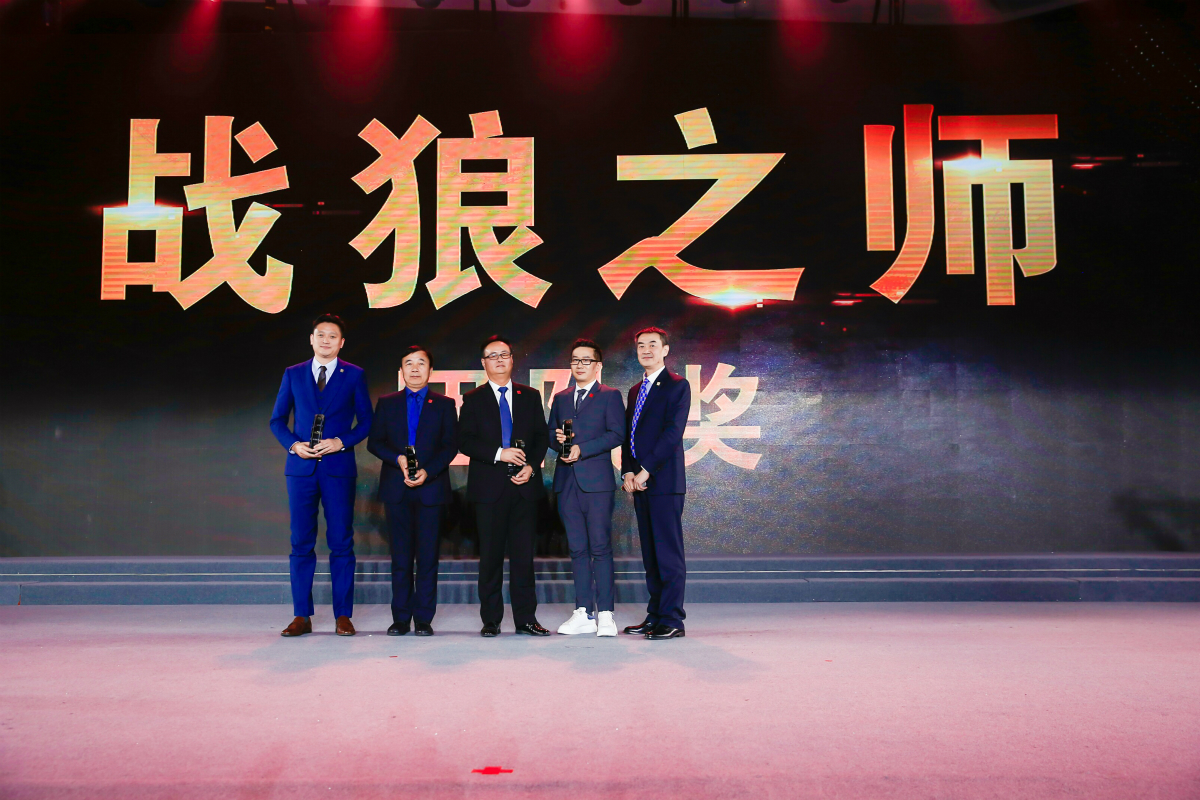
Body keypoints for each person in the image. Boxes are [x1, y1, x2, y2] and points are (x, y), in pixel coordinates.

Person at [269, 314, 373, 638]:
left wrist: (341, 441)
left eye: (332, 336)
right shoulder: (293, 373)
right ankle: (302, 615)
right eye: (321, 335)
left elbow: (366, 422)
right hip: (301, 470)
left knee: (341, 541)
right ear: (311, 339)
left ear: (341, 343)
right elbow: (277, 420)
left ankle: (343, 615)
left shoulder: (354, 375)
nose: (326, 340)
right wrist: (294, 445)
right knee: (301, 541)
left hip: (338, 469)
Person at [458, 335, 551, 637]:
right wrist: (500, 453)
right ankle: (491, 620)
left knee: (524, 558)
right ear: (483, 363)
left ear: (512, 359)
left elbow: (541, 437)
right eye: (492, 356)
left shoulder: (530, 396)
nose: (498, 360)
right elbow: (465, 441)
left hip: (525, 488)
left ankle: (526, 619)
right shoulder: (473, 399)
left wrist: (531, 466)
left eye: (504, 355)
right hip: (489, 489)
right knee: (490, 558)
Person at [367, 345, 458, 637]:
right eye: (409, 363)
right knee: (401, 558)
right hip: (397, 488)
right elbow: (374, 443)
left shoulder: (444, 404)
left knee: (428, 558)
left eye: (421, 363)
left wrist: (428, 471)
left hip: (431, 489)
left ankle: (423, 619)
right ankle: (400, 618)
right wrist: (398, 459)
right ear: (401, 370)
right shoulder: (387, 403)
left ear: (430, 370)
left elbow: (450, 446)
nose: (415, 368)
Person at [547, 338, 625, 637]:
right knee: (577, 548)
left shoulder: (610, 395)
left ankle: (605, 613)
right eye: (575, 360)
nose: (579, 365)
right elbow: (551, 435)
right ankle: (583, 611)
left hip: (597, 483)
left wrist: (582, 448)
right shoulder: (561, 397)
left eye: (586, 360)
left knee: (600, 547)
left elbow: (616, 433)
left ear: (597, 365)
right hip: (567, 482)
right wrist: (559, 441)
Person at [621, 327, 691, 640]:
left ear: (665, 350)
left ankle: (673, 619)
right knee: (650, 554)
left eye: (652, 344)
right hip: (639, 482)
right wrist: (627, 472)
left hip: (663, 481)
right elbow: (629, 435)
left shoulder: (677, 385)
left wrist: (645, 471)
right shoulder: (635, 390)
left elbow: (672, 434)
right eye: (641, 345)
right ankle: (655, 615)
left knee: (668, 553)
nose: (646, 350)